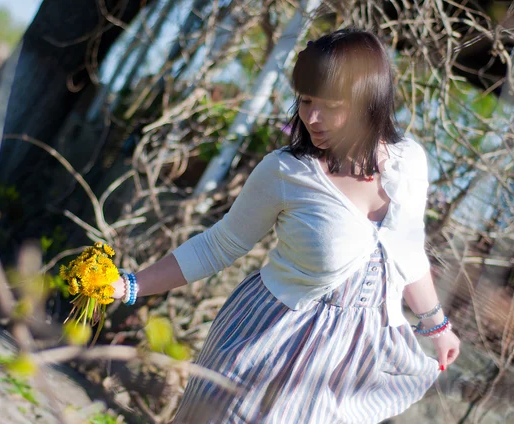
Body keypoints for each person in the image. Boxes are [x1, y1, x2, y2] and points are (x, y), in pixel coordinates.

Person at [110, 28, 460, 423]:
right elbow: (218, 245)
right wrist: (131, 285)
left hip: (346, 364)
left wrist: (436, 325)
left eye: (329, 105)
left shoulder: (408, 163)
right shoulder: (286, 171)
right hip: (265, 342)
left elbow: (408, 254)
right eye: (306, 100)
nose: (311, 117)